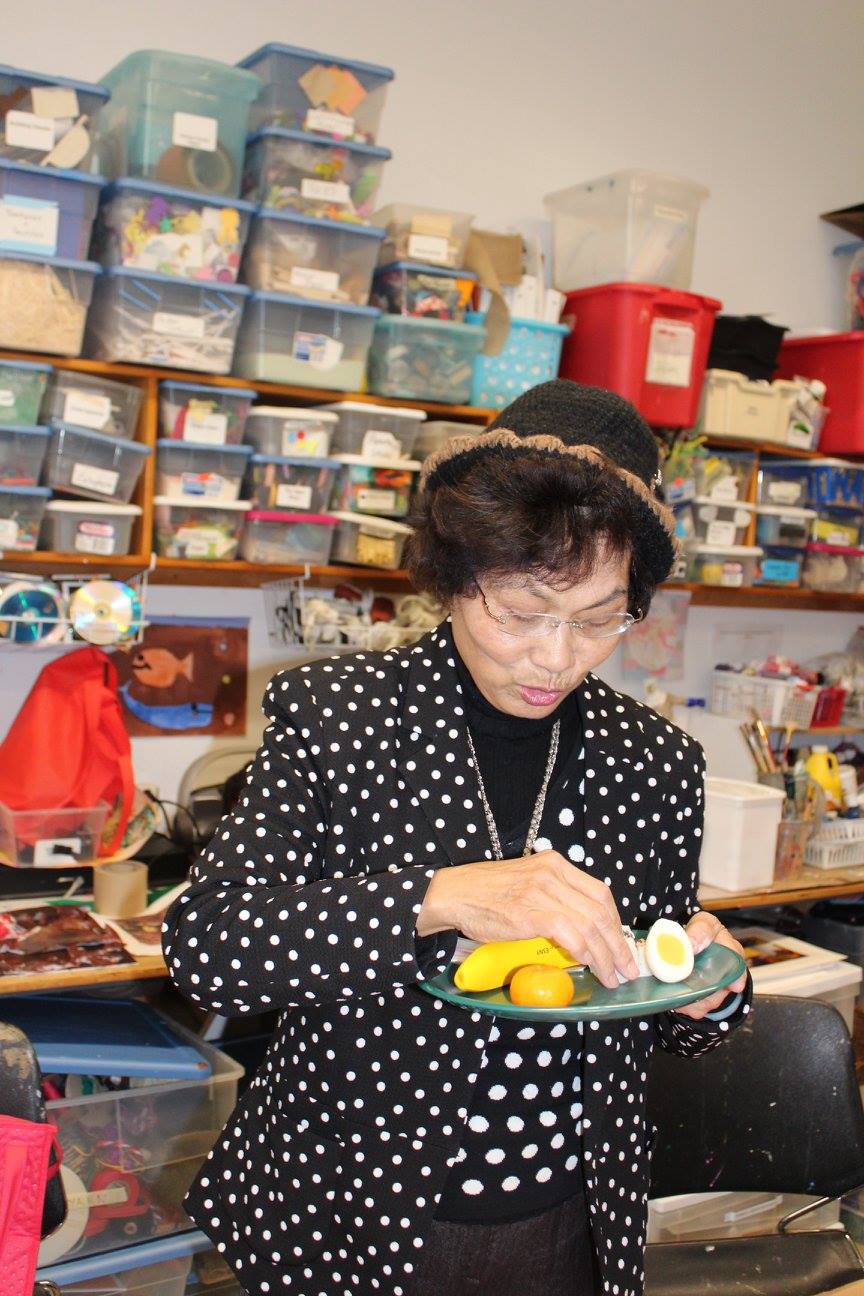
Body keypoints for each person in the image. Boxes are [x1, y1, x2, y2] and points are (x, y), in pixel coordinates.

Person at [163, 380, 751, 1296]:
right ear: (457, 573)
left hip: (571, 1219)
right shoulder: (340, 716)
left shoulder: (655, 761)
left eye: (599, 619)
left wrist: (711, 998)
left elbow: (653, 991)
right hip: (349, 1203)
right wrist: (440, 898)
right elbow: (209, 948)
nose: (555, 656)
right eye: (519, 611)